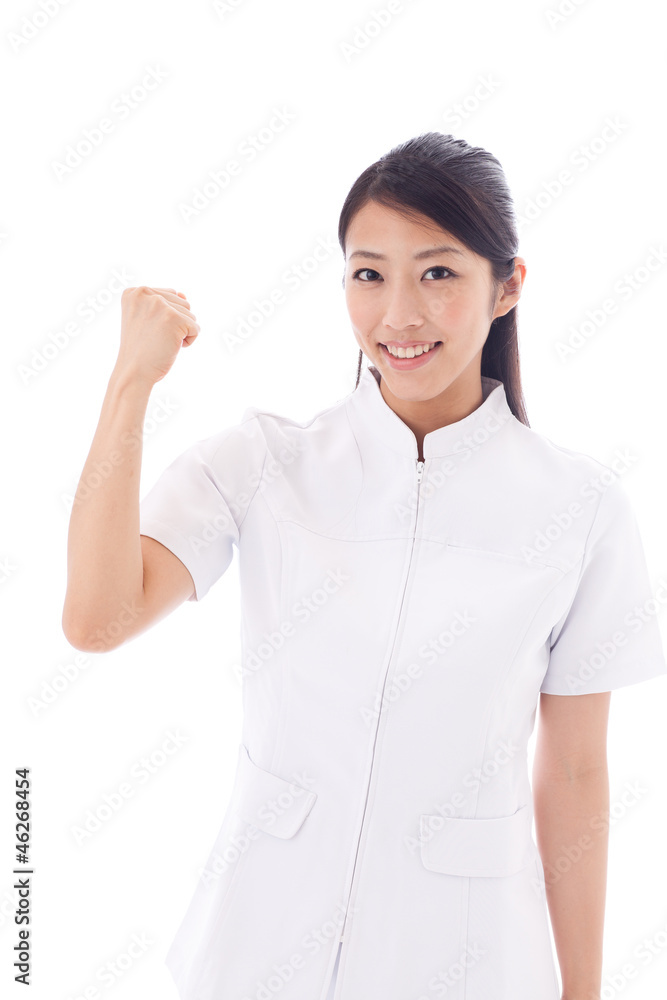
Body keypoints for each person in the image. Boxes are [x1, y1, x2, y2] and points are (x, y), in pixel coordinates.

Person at [62, 132, 667, 1000]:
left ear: (507, 287)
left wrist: (582, 993)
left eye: (438, 273)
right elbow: (96, 619)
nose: (398, 316)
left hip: (464, 959)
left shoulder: (580, 511)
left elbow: (573, 774)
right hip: (256, 948)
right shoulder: (264, 464)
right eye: (368, 274)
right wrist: (128, 385)